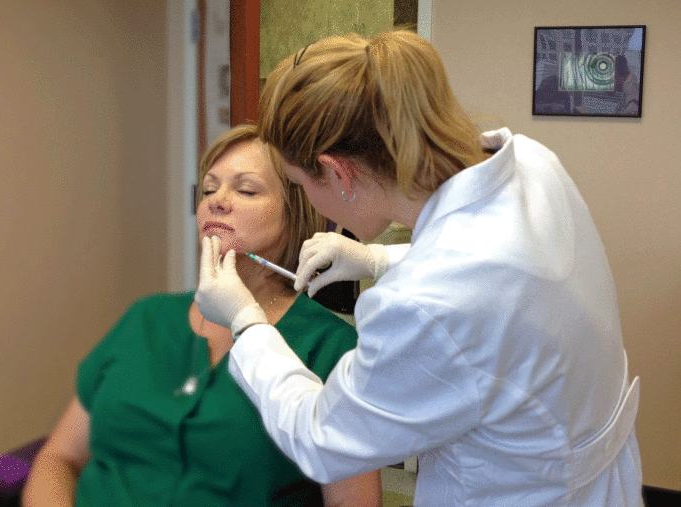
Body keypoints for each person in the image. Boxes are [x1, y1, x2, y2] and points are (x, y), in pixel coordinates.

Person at [194, 30, 644, 507]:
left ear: (339, 172)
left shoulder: (421, 307)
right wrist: (378, 258)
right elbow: (503, 273)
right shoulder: (533, 165)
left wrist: (246, 321)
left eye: (299, 183)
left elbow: (322, 439)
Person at [21, 124, 383, 507]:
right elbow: (58, 458)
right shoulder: (145, 318)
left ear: (294, 212)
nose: (217, 201)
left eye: (245, 189)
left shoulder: (331, 347)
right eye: (208, 189)